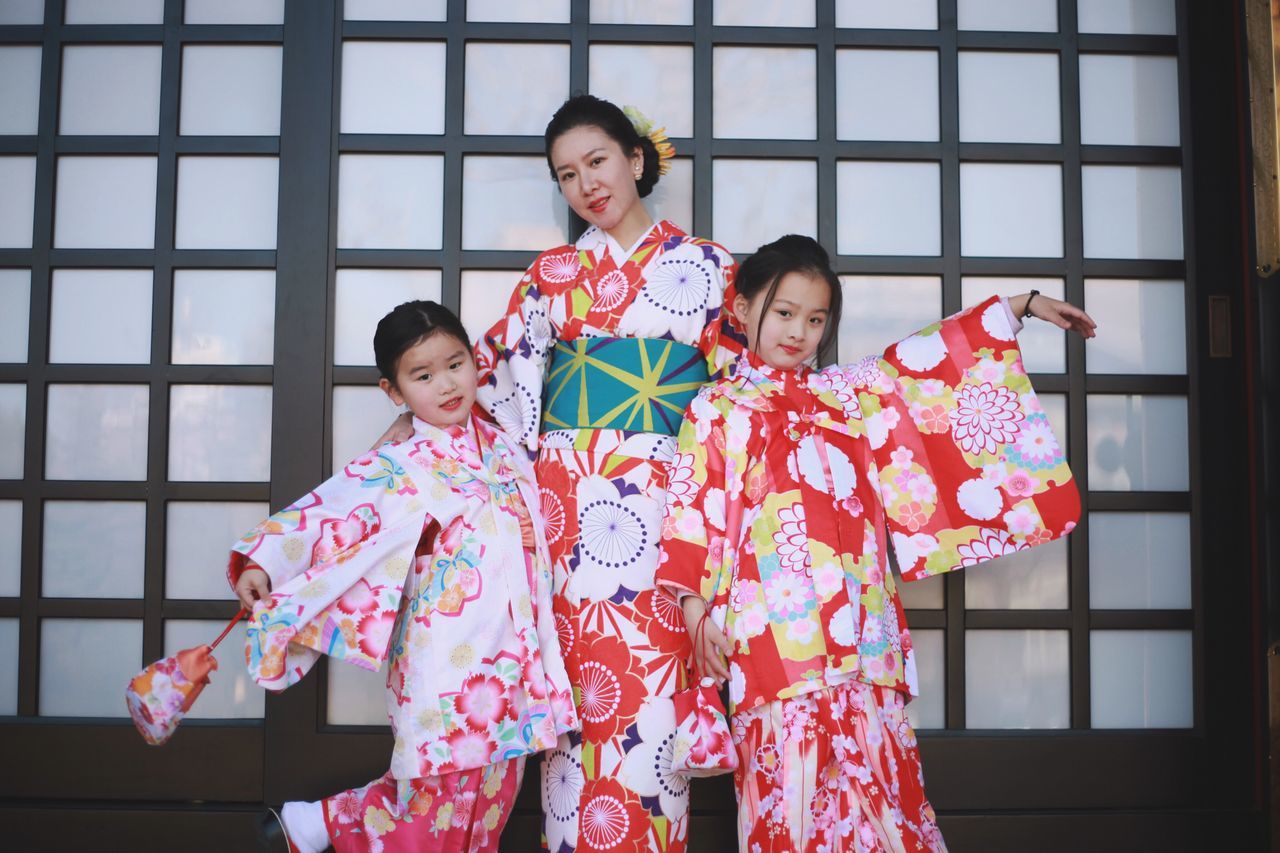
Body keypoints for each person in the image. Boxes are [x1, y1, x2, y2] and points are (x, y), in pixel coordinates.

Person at [378, 94, 745, 851]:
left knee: (651, 711)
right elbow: (487, 380)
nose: (587, 184)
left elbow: (742, 400)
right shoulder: (552, 273)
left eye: (599, 162)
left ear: (637, 160)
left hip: (665, 513)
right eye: (567, 174)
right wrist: (406, 437)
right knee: (573, 705)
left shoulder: (710, 270)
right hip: (566, 516)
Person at [655, 235, 1095, 851]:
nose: (799, 332)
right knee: (791, 791)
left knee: (885, 793)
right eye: (783, 313)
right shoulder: (717, 407)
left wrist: (1021, 306)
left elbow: (928, 363)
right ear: (743, 308)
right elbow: (691, 510)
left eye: (815, 319)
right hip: (774, 635)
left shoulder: (848, 394)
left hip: (864, 629)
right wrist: (696, 611)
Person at [229, 300, 577, 853]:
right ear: (394, 392)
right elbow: (331, 513)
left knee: (490, 801)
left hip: (511, 655)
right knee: (432, 807)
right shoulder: (396, 463)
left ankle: (313, 825)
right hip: (440, 659)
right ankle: (320, 823)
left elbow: (535, 507)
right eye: (423, 375)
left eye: (456, 364)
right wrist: (264, 561)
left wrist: (526, 526)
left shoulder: (504, 445)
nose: (446, 385)